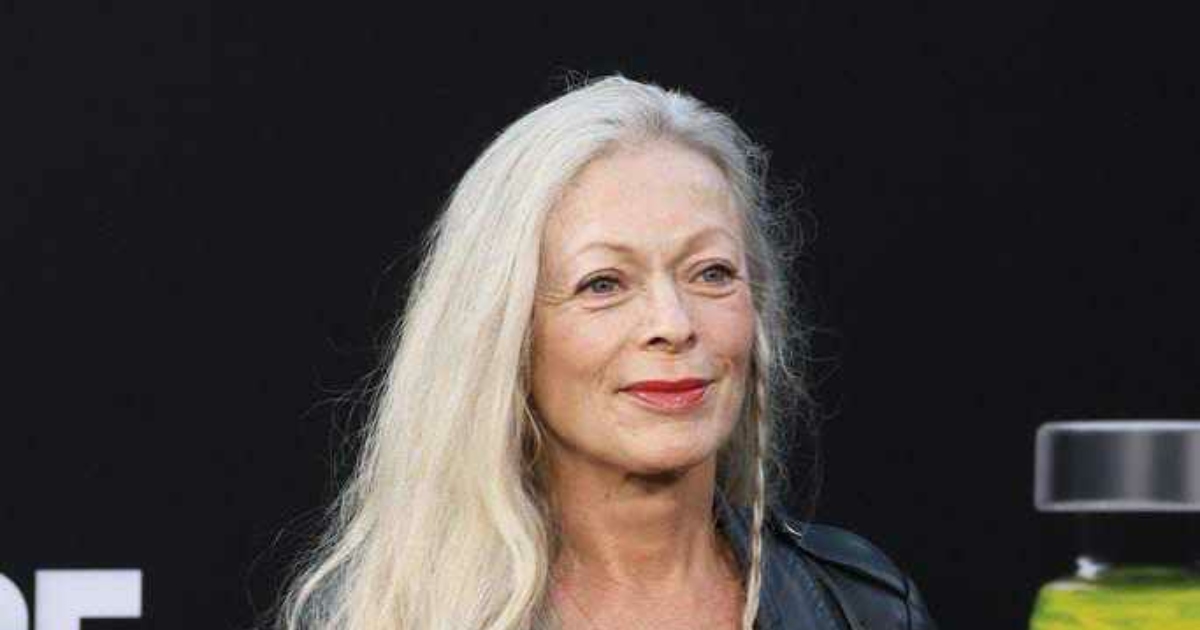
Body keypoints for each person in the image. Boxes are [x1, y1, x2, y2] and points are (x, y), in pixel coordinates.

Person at [273, 74, 939, 630]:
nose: (673, 324)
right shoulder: (386, 616)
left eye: (711, 273)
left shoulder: (862, 607)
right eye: (603, 283)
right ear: (505, 333)